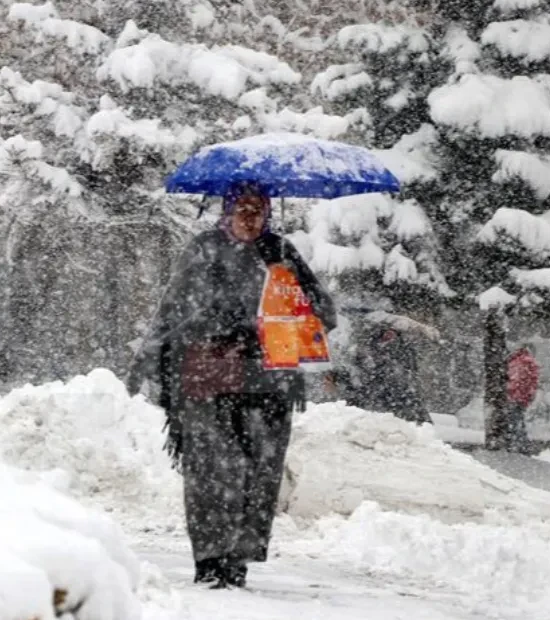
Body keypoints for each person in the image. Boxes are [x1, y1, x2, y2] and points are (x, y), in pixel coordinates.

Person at [125, 182, 336, 590]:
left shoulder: (280, 252)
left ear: (269, 212)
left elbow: (323, 311)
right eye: (242, 208)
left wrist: (283, 314)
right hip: (207, 380)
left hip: (269, 383)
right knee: (210, 471)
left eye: (257, 209)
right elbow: (175, 309)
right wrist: (161, 354)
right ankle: (209, 561)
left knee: (258, 475)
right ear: (227, 210)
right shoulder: (203, 249)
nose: (249, 216)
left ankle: (237, 562)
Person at [350, 311, 439, 424]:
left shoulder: (402, 349)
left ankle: (423, 426)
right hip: (379, 385)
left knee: (408, 404)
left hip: (396, 385)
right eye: (388, 333)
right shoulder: (370, 346)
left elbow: (410, 365)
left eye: (393, 334)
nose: (389, 336)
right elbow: (363, 363)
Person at [502, 343, 540, 452]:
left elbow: (515, 380)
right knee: (517, 421)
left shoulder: (517, 361)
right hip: (520, 397)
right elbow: (532, 381)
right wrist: (528, 395)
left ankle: (518, 446)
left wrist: (509, 392)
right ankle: (522, 446)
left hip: (514, 396)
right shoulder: (528, 362)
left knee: (515, 421)